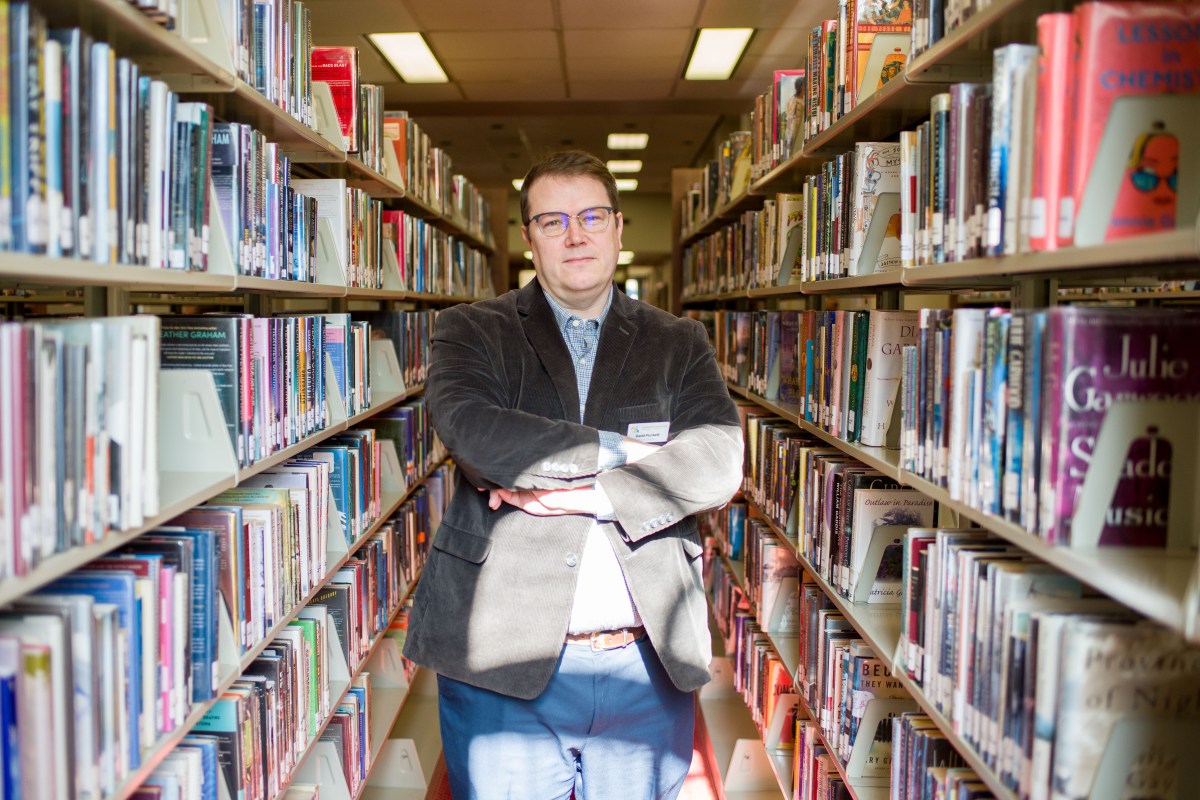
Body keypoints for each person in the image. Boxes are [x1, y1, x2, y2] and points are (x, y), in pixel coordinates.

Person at [403, 150, 744, 799]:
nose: (575, 234)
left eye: (591, 216)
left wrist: (598, 496)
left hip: (645, 668)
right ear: (528, 236)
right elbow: (476, 431)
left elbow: (718, 460)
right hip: (500, 665)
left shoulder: (679, 342)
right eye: (552, 220)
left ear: (619, 227)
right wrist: (623, 451)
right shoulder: (472, 330)